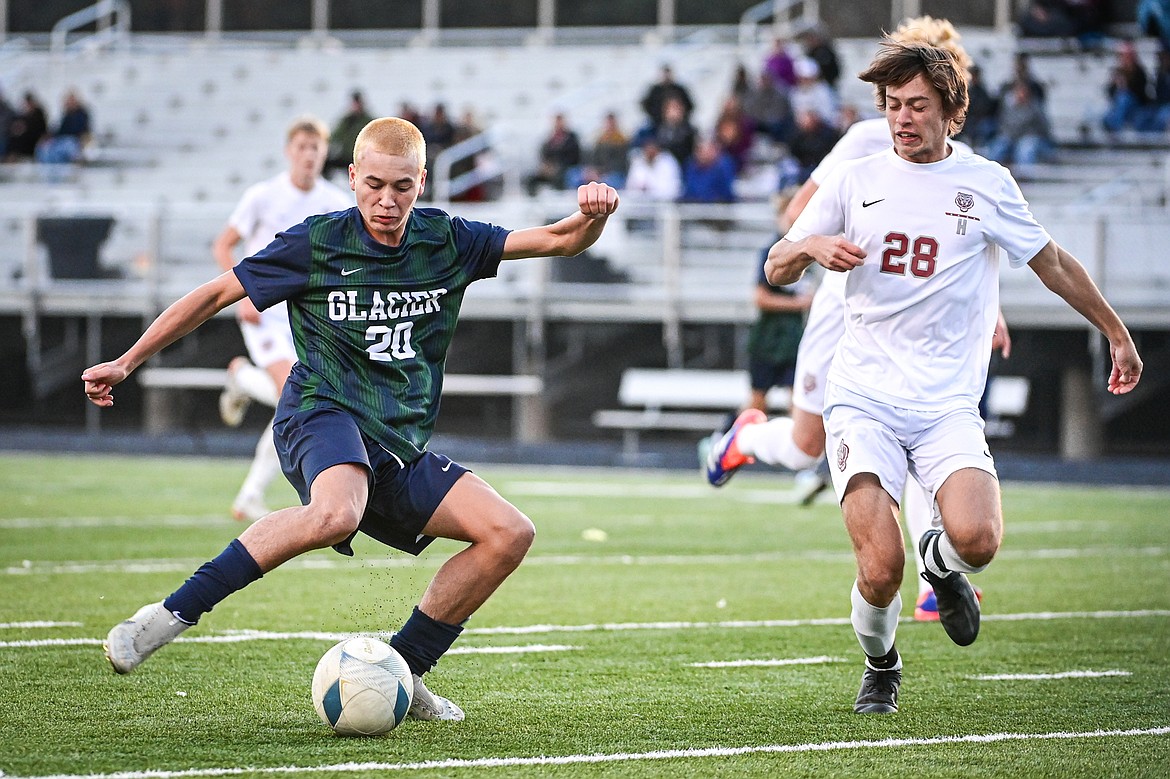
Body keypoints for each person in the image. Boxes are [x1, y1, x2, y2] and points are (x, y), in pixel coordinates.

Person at [82, 117, 621, 723]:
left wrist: (595, 215)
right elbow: (212, 296)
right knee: (337, 512)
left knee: (509, 533)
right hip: (321, 411)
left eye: (401, 187)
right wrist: (127, 361)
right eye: (372, 186)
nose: (385, 202)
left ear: (422, 181)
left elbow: (557, 240)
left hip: (398, 442)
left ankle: (405, 670)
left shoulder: (448, 239)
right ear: (351, 179)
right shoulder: (316, 241)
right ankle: (168, 615)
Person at [764, 38, 1141, 715]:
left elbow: (1051, 262)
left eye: (916, 106)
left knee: (980, 541)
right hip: (862, 398)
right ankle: (882, 665)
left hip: (944, 405)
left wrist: (1114, 330)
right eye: (892, 106)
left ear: (952, 111)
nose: (901, 118)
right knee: (879, 568)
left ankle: (941, 559)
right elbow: (776, 263)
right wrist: (808, 246)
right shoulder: (857, 180)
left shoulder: (987, 183)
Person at [705, 15, 1005, 628]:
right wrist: (832, 244)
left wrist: (990, 312)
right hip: (844, 308)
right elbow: (797, 214)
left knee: (926, 438)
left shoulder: (965, 164)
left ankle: (933, 580)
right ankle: (743, 439)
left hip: (911, 337)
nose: (910, 112)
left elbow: (966, 257)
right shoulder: (868, 139)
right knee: (803, 446)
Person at [212, 116, 354, 522]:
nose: (309, 156)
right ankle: (252, 492)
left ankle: (248, 494)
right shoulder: (263, 195)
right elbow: (223, 245)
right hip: (265, 313)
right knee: (293, 396)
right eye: (302, 148)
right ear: (289, 151)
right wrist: (241, 293)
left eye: (316, 148)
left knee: (293, 401)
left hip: (308, 320)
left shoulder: (332, 201)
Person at [744, 189, 813, 413]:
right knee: (757, 403)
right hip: (770, 337)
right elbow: (761, 298)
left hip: (795, 337)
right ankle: (730, 439)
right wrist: (799, 304)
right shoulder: (772, 251)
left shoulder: (810, 251)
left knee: (798, 401)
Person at [985, 79, 1056, 176]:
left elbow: (1043, 127)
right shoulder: (1009, 108)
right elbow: (1003, 124)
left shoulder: (1035, 108)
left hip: (1029, 137)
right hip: (1010, 136)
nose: (1021, 94)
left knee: (1025, 148)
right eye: (1019, 91)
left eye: (1023, 92)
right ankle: (988, 173)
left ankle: (1025, 176)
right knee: (998, 146)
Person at [525, 112, 582, 196]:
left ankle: (558, 199)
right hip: (550, 169)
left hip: (565, 168)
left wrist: (557, 167)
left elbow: (574, 157)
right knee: (530, 179)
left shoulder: (571, 138)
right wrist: (546, 166)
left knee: (559, 177)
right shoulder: (550, 139)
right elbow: (544, 154)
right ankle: (533, 199)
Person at [35, 89, 92, 165]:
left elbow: (80, 130)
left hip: (74, 140)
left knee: (68, 145)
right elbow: (59, 130)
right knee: (44, 148)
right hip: (62, 140)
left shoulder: (82, 115)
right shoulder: (66, 115)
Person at [325, 91, 373, 179]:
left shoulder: (368, 121)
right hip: (346, 155)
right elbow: (335, 136)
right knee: (326, 163)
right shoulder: (347, 121)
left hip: (362, 156)